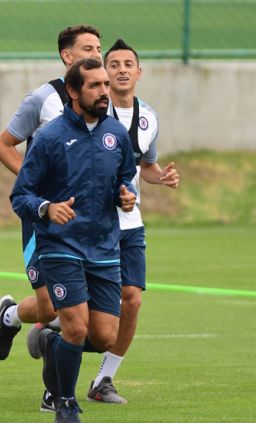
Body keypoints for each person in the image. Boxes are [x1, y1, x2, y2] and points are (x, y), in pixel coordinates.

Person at [11, 57, 137, 423]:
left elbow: (123, 180)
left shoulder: (116, 133)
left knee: (103, 335)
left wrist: (125, 195)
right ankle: (65, 403)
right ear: (73, 91)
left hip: (103, 247)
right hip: (60, 246)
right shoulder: (49, 137)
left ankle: (53, 344)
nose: (104, 91)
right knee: (77, 327)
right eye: (95, 85)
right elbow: (20, 197)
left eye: (105, 85)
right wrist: (47, 209)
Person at [0, 24, 102, 412]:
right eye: (88, 48)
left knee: (80, 313)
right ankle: (11, 318)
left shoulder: (101, 100)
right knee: (54, 307)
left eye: (98, 48)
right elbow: (3, 146)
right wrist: (35, 188)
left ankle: (53, 384)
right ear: (67, 57)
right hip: (43, 218)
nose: (96, 54)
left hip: (88, 224)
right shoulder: (43, 98)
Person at [85, 39, 180, 404]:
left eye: (129, 64)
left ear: (139, 72)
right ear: (104, 74)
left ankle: (104, 380)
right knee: (92, 318)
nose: (122, 69)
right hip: (94, 226)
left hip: (131, 224)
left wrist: (163, 178)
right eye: (114, 64)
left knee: (133, 301)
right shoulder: (92, 114)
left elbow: (146, 167)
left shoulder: (148, 116)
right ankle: (54, 332)